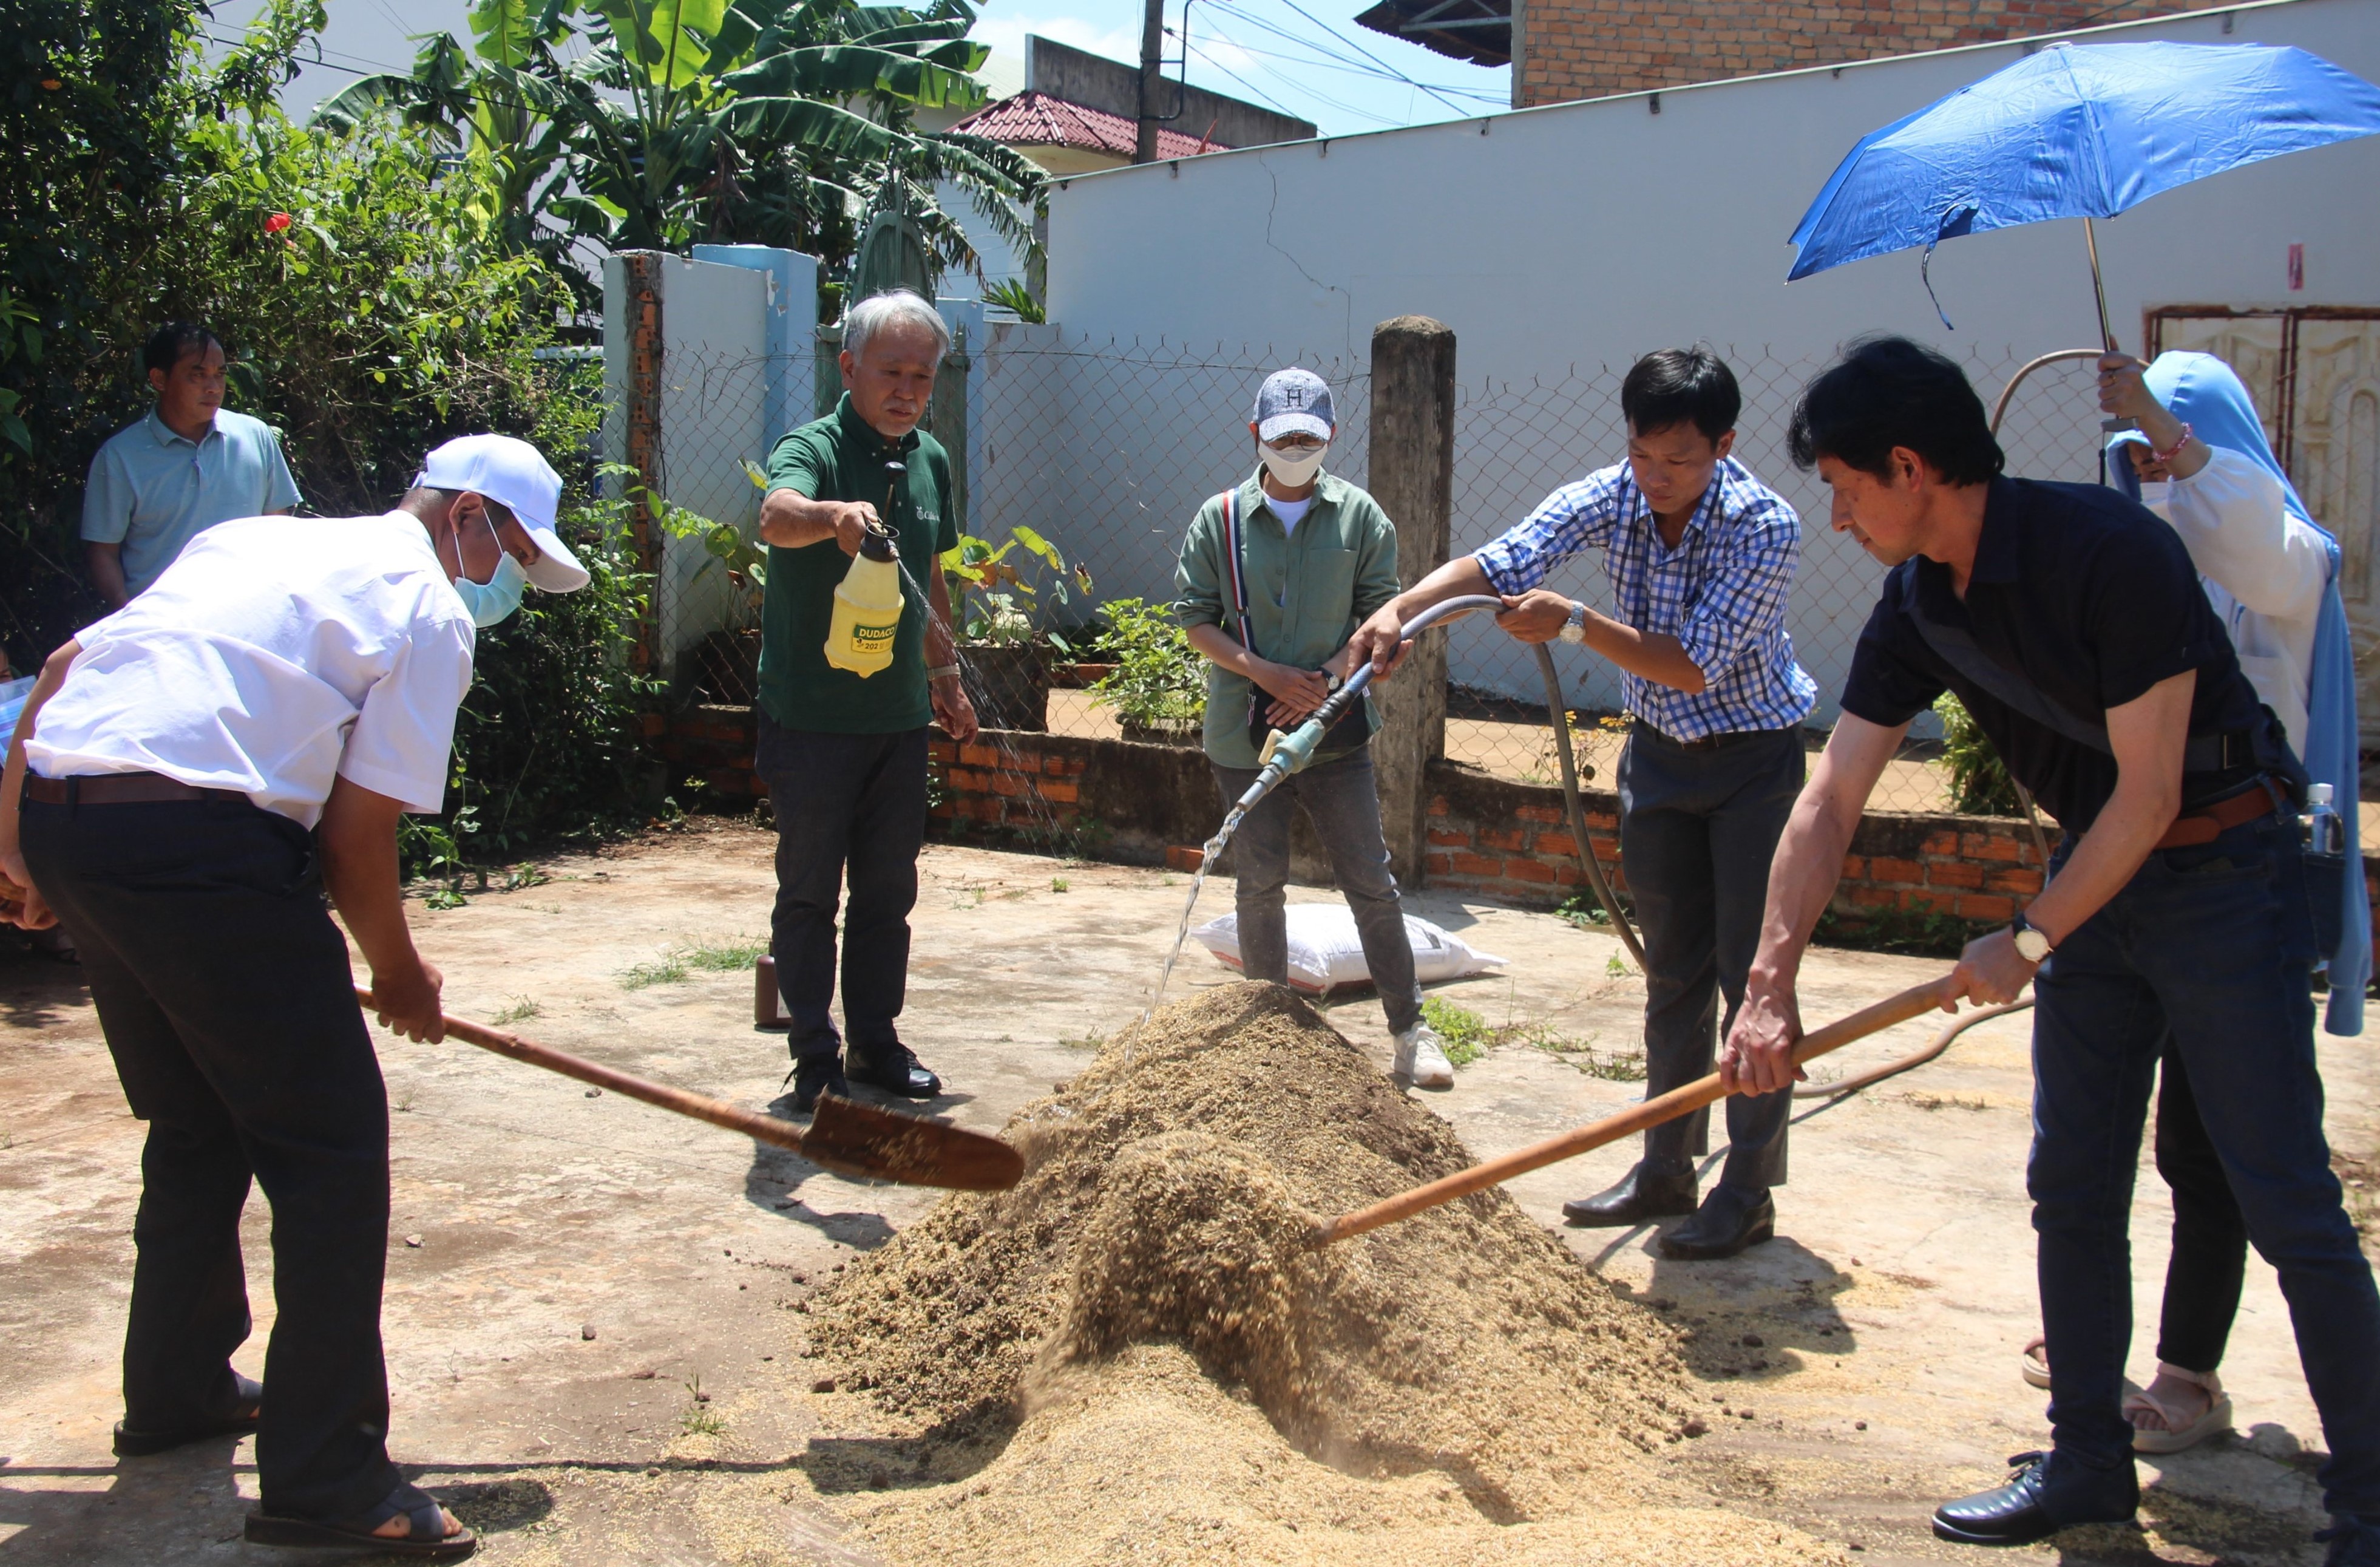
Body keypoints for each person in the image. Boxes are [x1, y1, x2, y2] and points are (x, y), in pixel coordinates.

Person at [1724, 336, 2380, 1561]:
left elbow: (2144, 796)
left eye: (1845, 485)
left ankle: (2369, 1508)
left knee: (2281, 1191)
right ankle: (2086, 1466)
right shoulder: (1917, 601)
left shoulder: (2107, 552)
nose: (1835, 514)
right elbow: (1830, 798)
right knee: (2070, 1184)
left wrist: (2024, 938)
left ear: (1910, 467)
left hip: (2220, 873)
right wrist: (1767, 988)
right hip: (2102, 883)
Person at [0, 433, 589, 1559]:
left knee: (198, 1119)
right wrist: (400, 973)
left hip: (80, 814)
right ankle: (326, 1473)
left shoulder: (255, 538)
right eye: (508, 545)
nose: (503, 572)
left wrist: (23, 850)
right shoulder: (429, 609)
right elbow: (356, 841)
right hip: (198, 837)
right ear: (466, 514)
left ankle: (177, 1388)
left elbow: (69, 667)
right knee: (328, 1146)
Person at [1351, 347, 1816, 1259]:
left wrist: (1573, 622)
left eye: (1680, 461)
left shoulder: (1767, 526)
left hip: (1752, 765)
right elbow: (1502, 560)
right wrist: (1399, 612)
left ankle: (1749, 1188)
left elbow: (1691, 663)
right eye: (1643, 456)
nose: (1656, 479)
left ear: (1724, 445)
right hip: (1660, 764)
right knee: (1671, 972)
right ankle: (1664, 1167)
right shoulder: (1619, 491)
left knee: (1752, 979)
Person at [2012, 350, 2371, 1455]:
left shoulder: (2284, 558)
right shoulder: (2138, 564)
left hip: (2241, 881)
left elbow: (2247, 539)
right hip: (2126, 879)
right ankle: (2094, 1380)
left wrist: (2154, 422)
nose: (2154, 480)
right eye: (2136, 464)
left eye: (2169, 454)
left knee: (2230, 1155)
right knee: (2088, 1159)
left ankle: (2190, 1375)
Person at [1174, 367, 1454, 1085]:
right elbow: (1194, 617)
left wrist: (1327, 681)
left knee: (1369, 878)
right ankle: (1265, 1030)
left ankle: (1410, 1029)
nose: (1296, 447)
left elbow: (1381, 618)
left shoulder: (1363, 520)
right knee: (1259, 879)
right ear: (1256, 438)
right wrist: (1263, 672)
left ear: (1331, 437)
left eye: (1308, 436)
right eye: (1283, 437)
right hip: (1245, 730)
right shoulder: (1221, 519)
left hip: (1336, 734)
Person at [754, 289, 978, 1115]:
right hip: (811, 721)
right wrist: (832, 516)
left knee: (888, 892)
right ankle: (814, 1057)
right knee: (810, 890)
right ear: (848, 367)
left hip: (896, 723)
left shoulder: (931, 461)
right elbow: (776, 517)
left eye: (923, 375)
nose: (908, 389)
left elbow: (930, 575)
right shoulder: (812, 447)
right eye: (891, 371)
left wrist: (946, 679)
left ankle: (876, 1044)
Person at [82, 323, 302, 607]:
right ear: (159, 379)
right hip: (164, 628)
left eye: (220, 374)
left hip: (252, 614)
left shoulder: (255, 436)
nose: (214, 388)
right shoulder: (120, 457)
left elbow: (279, 527)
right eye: (198, 375)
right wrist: (128, 618)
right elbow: (103, 552)